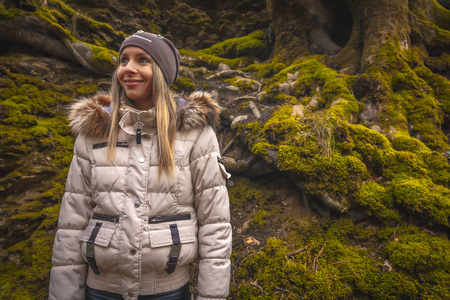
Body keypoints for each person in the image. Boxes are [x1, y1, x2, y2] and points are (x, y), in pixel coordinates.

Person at [49, 30, 232, 300]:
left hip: (166, 291)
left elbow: (215, 223)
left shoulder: (194, 134)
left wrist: (211, 296)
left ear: (162, 71)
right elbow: (72, 222)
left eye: (142, 60)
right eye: (123, 60)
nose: (128, 69)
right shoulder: (94, 132)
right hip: (101, 290)